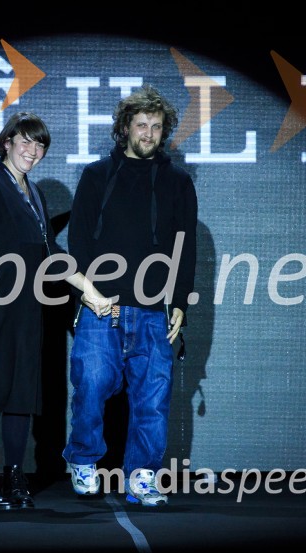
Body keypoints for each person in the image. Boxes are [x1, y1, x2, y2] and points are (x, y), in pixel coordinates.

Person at [0, 112, 110, 510]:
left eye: (40, 145)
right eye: (25, 141)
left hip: (27, 313)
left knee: (22, 398)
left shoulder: (34, 194)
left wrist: (89, 291)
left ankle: (14, 479)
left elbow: (51, 255)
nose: (33, 151)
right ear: (6, 142)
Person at [62, 85, 198, 507]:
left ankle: (143, 478)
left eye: (157, 126)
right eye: (141, 124)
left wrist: (178, 302)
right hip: (103, 306)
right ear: (125, 128)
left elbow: (184, 245)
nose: (149, 133)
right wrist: (87, 294)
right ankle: (83, 460)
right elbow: (79, 239)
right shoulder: (96, 176)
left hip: (154, 310)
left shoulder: (177, 182)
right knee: (91, 386)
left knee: (152, 401)